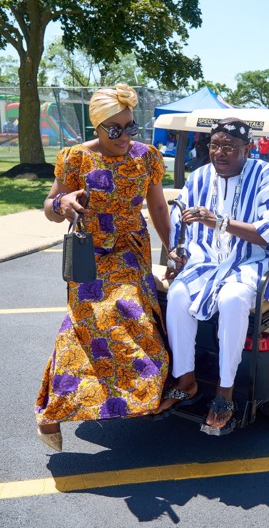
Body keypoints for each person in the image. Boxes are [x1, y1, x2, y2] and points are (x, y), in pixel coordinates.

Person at [34, 84, 172, 452]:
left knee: (132, 320)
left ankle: (138, 398)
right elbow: (49, 208)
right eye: (115, 129)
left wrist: (172, 249)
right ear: (97, 127)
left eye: (130, 127)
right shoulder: (76, 158)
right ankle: (51, 412)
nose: (125, 136)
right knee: (84, 324)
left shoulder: (147, 157)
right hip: (88, 253)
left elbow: (159, 207)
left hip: (130, 252)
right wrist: (62, 203)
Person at [158, 117, 269, 430]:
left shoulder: (268, 177)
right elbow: (180, 221)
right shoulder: (200, 177)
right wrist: (178, 253)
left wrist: (218, 222)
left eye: (230, 147)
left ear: (247, 149)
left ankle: (225, 391)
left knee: (232, 298)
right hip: (209, 261)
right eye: (215, 145)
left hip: (256, 260)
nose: (220, 153)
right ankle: (186, 380)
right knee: (178, 294)